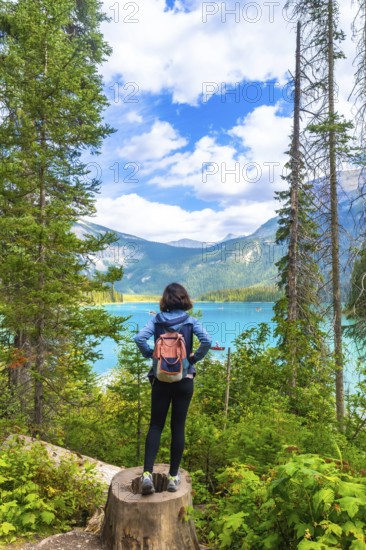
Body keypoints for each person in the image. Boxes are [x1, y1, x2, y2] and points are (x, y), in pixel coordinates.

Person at [134, 282, 212, 495]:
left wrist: (151, 354)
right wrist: (193, 358)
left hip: (160, 379)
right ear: (184, 299)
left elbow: (139, 338)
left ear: (165, 300)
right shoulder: (190, 321)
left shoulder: (156, 320)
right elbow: (207, 340)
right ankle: (172, 477)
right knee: (178, 427)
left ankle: (147, 475)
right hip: (183, 379)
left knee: (156, 426)